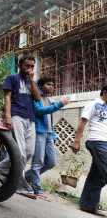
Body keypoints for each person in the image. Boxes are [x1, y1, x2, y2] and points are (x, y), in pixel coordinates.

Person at [0, 54, 42, 198]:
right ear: (20, 66)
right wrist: (8, 116)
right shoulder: (12, 78)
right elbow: (7, 97)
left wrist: (32, 80)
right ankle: (19, 185)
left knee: (29, 152)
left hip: (30, 118)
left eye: (32, 66)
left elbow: (37, 98)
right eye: (26, 66)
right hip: (16, 115)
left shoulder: (31, 82)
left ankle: (1, 167)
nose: (29, 68)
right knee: (20, 153)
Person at [25, 77, 69, 198]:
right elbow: (39, 111)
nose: (52, 87)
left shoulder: (48, 99)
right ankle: (37, 189)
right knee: (38, 162)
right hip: (39, 132)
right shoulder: (36, 97)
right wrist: (59, 104)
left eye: (53, 85)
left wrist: (53, 134)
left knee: (51, 162)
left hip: (49, 134)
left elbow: (50, 117)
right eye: (49, 84)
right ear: (40, 86)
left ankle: (25, 178)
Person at [71, 85, 107, 215]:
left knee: (97, 175)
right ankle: (89, 203)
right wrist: (76, 141)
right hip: (97, 141)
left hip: (105, 142)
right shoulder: (93, 104)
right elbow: (82, 121)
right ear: (105, 92)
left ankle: (88, 205)